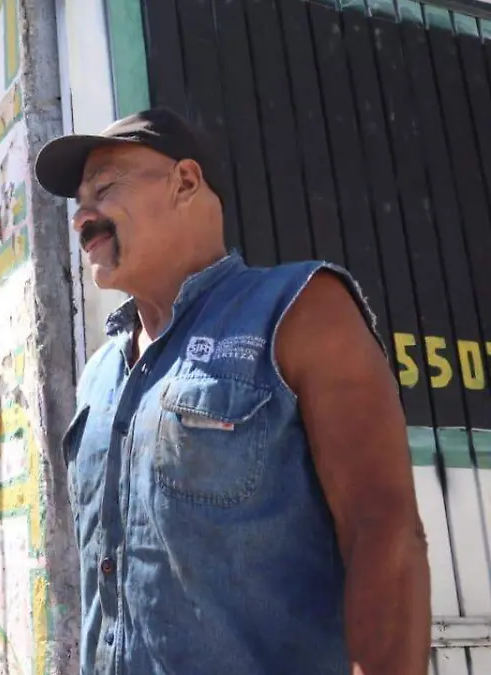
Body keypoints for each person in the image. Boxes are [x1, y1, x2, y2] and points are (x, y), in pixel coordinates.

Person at [33, 107, 430, 674]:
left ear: (185, 182)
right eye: (78, 203)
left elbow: (384, 532)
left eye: (105, 188)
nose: (81, 218)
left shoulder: (300, 310)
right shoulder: (99, 373)